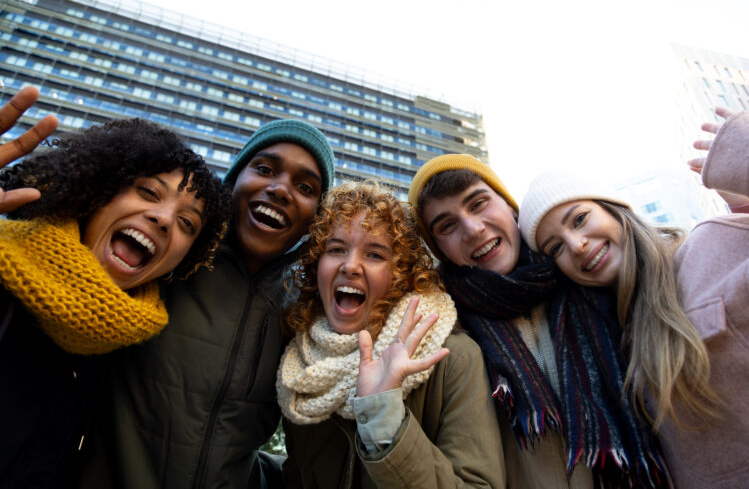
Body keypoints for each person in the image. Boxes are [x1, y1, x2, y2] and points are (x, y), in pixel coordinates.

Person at [518, 107, 749, 488]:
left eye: (580, 218)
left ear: (616, 212)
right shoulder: (611, 338)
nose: (577, 244)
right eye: (555, 247)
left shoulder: (712, 244)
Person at [81, 118, 336, 488]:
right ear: (232, 182)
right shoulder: (166, 260)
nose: (281, 189)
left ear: (315, 220)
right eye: (264, 169)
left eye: (305, 187)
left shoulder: (306, 312)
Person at [0, 86, 230, 488]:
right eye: (149, 192)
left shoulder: (120, 349)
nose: (162, 219)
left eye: (187, 224)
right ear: (100, 189)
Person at [408, 155, 666, 488]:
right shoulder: (441, 334)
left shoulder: (591, 278)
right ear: (440, 251)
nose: (473, 229)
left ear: (510, 206)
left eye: (478, 204)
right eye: (447, 226)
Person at [277, 182, 505, 488]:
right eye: (335, 249)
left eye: (374, 254)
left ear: (400, 275)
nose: (350, 266)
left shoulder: (453, 357)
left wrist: (384, 419)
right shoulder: (302, 369)